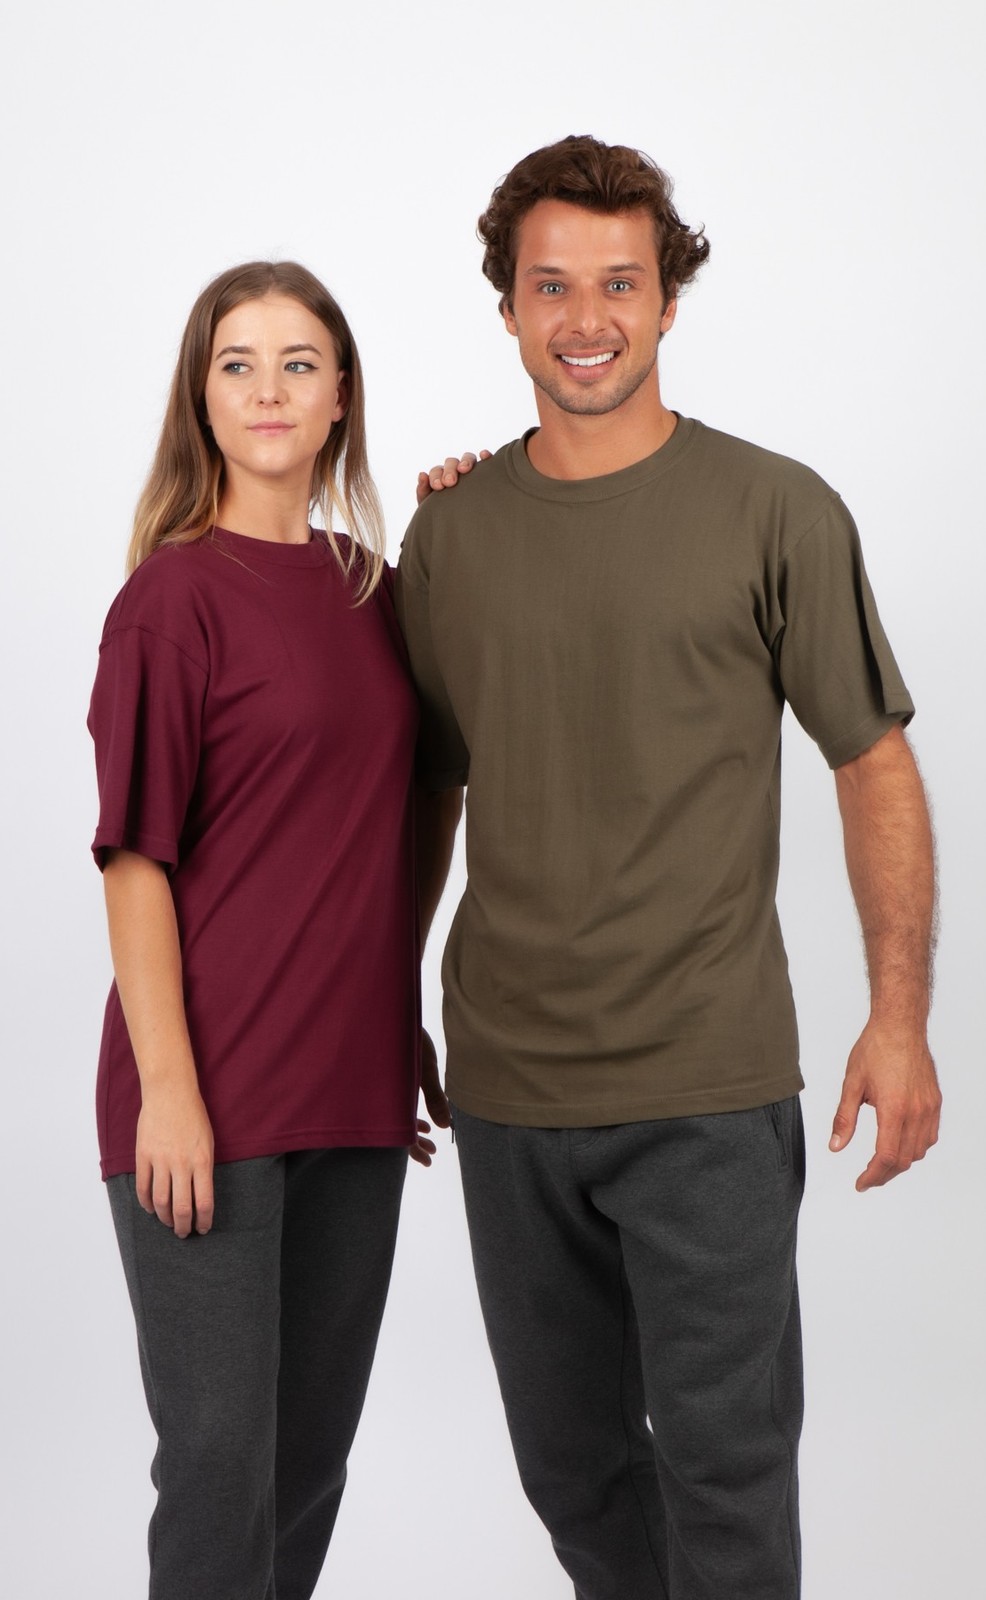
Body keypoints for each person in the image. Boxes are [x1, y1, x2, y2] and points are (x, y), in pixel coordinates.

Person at [398, 136, 941, 1600]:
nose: (586, 318)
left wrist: (898, 1018)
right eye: (550, 285)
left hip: (706, 1088)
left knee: (726, 1474)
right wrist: (391, 1000)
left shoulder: (775, 509)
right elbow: (429, 787)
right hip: (508, 1088)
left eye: (619, 283)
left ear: (668, 300)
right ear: (507, 308)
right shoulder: (449, 535)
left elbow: (871, 764)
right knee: (571, 1472)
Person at [88, 259, 452, 1600]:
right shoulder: (172, 599)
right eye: (236, 364)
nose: (268, 390)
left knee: (305, 1469)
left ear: (341, 393)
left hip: (355, 1090)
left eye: (299, 363)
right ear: (201, 397)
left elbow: (415, 807)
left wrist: (472, 512)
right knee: (218, 1462)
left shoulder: (377, 591)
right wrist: (170, 1092)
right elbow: (135, 857)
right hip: (209, 1097)